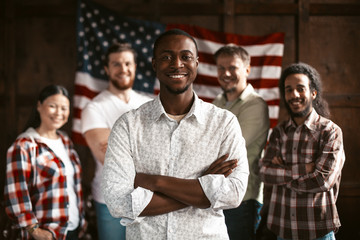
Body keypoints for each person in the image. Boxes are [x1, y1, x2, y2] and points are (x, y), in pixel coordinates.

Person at [101, 29, 249, 239]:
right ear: (154, 64)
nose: (177, 64)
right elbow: (118, 202)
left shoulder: (224, 123)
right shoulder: (128, 125)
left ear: (196, 63)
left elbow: (234, 193)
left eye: (186, 57)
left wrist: (155, 182)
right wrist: (204, 184)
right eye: (166, 57)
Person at [259, 63, 345, 240]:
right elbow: (264, 173)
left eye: (300, 89)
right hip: (282, 229)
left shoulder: (330, 132)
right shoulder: (279, 132)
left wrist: (283, 176)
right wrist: (305, 169)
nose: (294, 95)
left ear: (313, 93)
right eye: (288, 90)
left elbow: (323, 181)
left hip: (317, 230)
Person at [80, 42, 151, 240]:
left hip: (149, 198)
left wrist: (120, 144)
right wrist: (145, 149)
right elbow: (109, 160)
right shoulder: (94, 108)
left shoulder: (148, 104)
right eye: (116, 64)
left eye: (128, 63)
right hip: (110, 200)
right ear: (106, 69)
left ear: (135, 67)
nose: (123, 69)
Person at [4, 85, 86, 240]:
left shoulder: (65, 140)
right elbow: (16, 192)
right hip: (46, 233)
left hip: (73, 230)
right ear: (39, 106)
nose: (59, 113)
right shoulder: (24, 145)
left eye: (64, 108)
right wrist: (34, 231)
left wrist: (82, 220)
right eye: (53, 106)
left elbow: (73, 185)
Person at [212, 44, 270, 240]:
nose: (226, 73)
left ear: (247, 69)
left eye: (232, 67)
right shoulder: (217, 101)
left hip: (243, 200)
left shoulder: (256, 105)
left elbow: (228, 150)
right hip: (215, 196)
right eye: (221, 67)